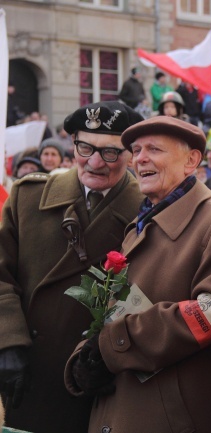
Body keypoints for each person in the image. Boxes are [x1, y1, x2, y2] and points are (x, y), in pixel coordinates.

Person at [64, 116, 211, 433]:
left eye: (154, 149)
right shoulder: (141, 223)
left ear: (191, 160)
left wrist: (115, 345)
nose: (140, 159)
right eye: (136, 151)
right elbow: (117, 309)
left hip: (172, 418)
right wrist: (87, 356)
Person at [0, 101, 144, 433]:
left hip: (97, 384)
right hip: (24, 374)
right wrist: (7, 339)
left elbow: (153, 296)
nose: (94, 162)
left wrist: (110, 353)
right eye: (85, 148)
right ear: (73, 144)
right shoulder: (27, 196)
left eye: (110, 153)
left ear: (131, 156)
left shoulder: (146, 212)